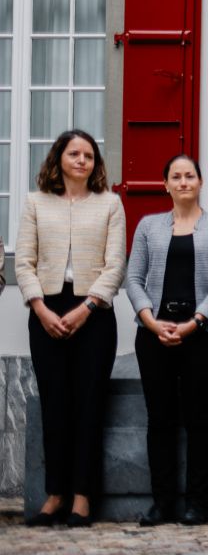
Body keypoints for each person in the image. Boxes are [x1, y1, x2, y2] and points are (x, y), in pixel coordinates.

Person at [15, 128, 125, 528]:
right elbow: (23, 262)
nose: (82, 160)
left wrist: (86, 308)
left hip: (93, 313)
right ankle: (55, 494)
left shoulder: (110, 204)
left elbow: (115, 266)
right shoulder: (35, 203)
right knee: (55, 404)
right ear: (59, 157)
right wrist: (41, 309)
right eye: (74, 153)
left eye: (89, 156)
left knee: (89, 405)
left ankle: (82, 497)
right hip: (46, 309)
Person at [123, 155, 208, 526]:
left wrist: (195, 322)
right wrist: (150, 321)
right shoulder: (148, 227)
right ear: (166, 184)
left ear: (200, 183)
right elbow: (133, 278)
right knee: (160, 420)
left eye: (190, 175)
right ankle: (162, 502)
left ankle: (196, 503)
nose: (184, 181)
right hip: (153, 334)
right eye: (176, 176)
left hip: (201, 336)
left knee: (199, 419)